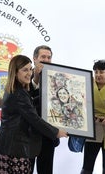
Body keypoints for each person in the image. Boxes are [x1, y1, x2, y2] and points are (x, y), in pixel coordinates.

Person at [0, 55, 68, 174]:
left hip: (8, 147)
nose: (29, 73)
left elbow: (31, 103)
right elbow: (34, 119)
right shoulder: (18, 94)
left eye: (30, 69)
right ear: (15, 72)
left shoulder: (17, 90)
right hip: (15, 149)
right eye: (24, 70)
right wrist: (57, 132)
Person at [29, 45, 60, 174]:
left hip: (48, 136)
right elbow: (27, 101)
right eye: (43, 57)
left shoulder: (58, 79)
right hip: (28, 136)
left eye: (49, 57)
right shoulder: (24, 75)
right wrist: (35, 78)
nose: (46, 60)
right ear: (35, 59)